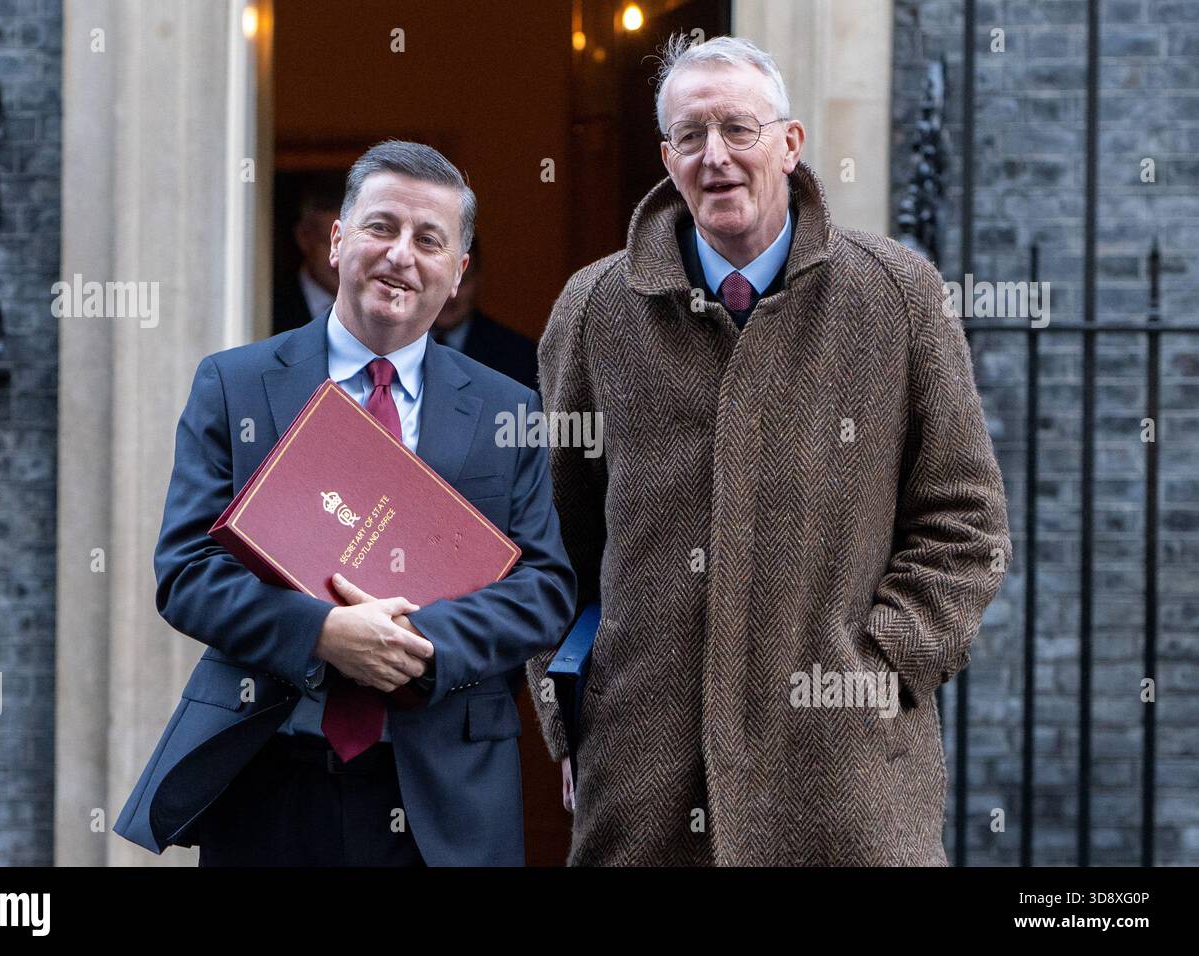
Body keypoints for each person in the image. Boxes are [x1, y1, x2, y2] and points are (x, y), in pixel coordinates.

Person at [526, 34, 1011, 865]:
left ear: (789, 144)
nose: (715, 156)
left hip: (847, 783)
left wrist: (881, 667)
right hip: (643, 782)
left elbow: (965, 522)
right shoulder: (595, 310)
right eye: (690, 135)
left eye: (738, 129)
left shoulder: (896, 297)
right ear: (667, 157)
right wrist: (569, 703)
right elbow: (545, 537)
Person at [115, 140, 576, 866]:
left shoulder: (507, 407)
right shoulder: (236, 385)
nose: (401, 255)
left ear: (457, 272)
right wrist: (322, 633)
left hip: (443, 793)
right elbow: (186, 571)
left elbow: (545, 589)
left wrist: (414, 647)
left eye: (429, 239)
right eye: (380, 227)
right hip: (268, 778)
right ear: (337, 241)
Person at [430, 235, 539, 391]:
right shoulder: (393, 346)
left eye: (462, 281)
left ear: (478, 280)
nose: (450, 294)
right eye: (439, 281)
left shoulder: (519, 357)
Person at [272, 174, 344, 334]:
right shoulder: (267, 307)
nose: (342, 260)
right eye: (332, 243)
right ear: (304, 238)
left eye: (352, 245)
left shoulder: (380, 304)